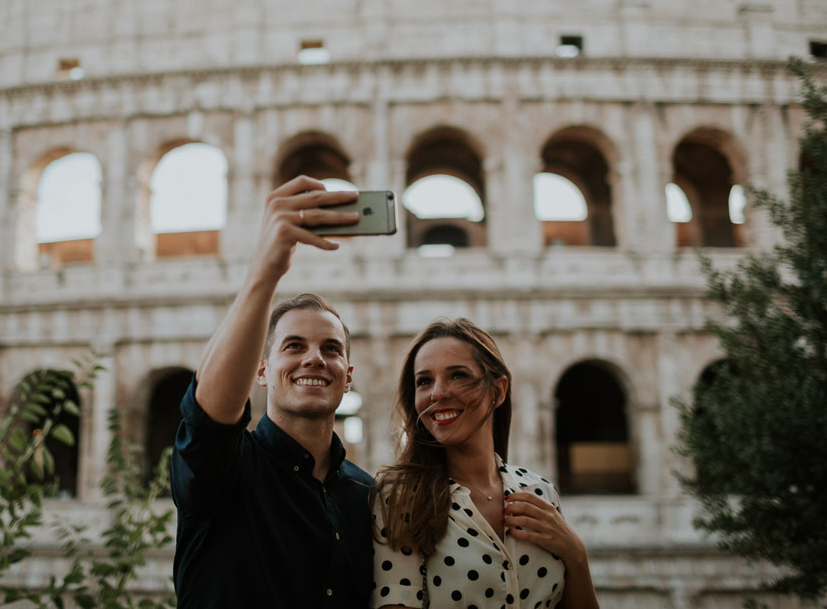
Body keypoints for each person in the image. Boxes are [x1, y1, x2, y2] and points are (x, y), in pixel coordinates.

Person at [171, 176, 375, 609]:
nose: (315, 359)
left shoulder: (366, 494)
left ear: (349, 374)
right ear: (261, 371)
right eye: (294, 346)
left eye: (331, 349)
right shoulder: (226, 469)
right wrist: (264, 272)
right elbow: (208, 417)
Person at [371, 318, 599, 609]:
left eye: (458, 376)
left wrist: (577, 556)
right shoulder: (400, 497)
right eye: (424, 381)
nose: (437, 393)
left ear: (499, 391)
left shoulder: (539, 490)